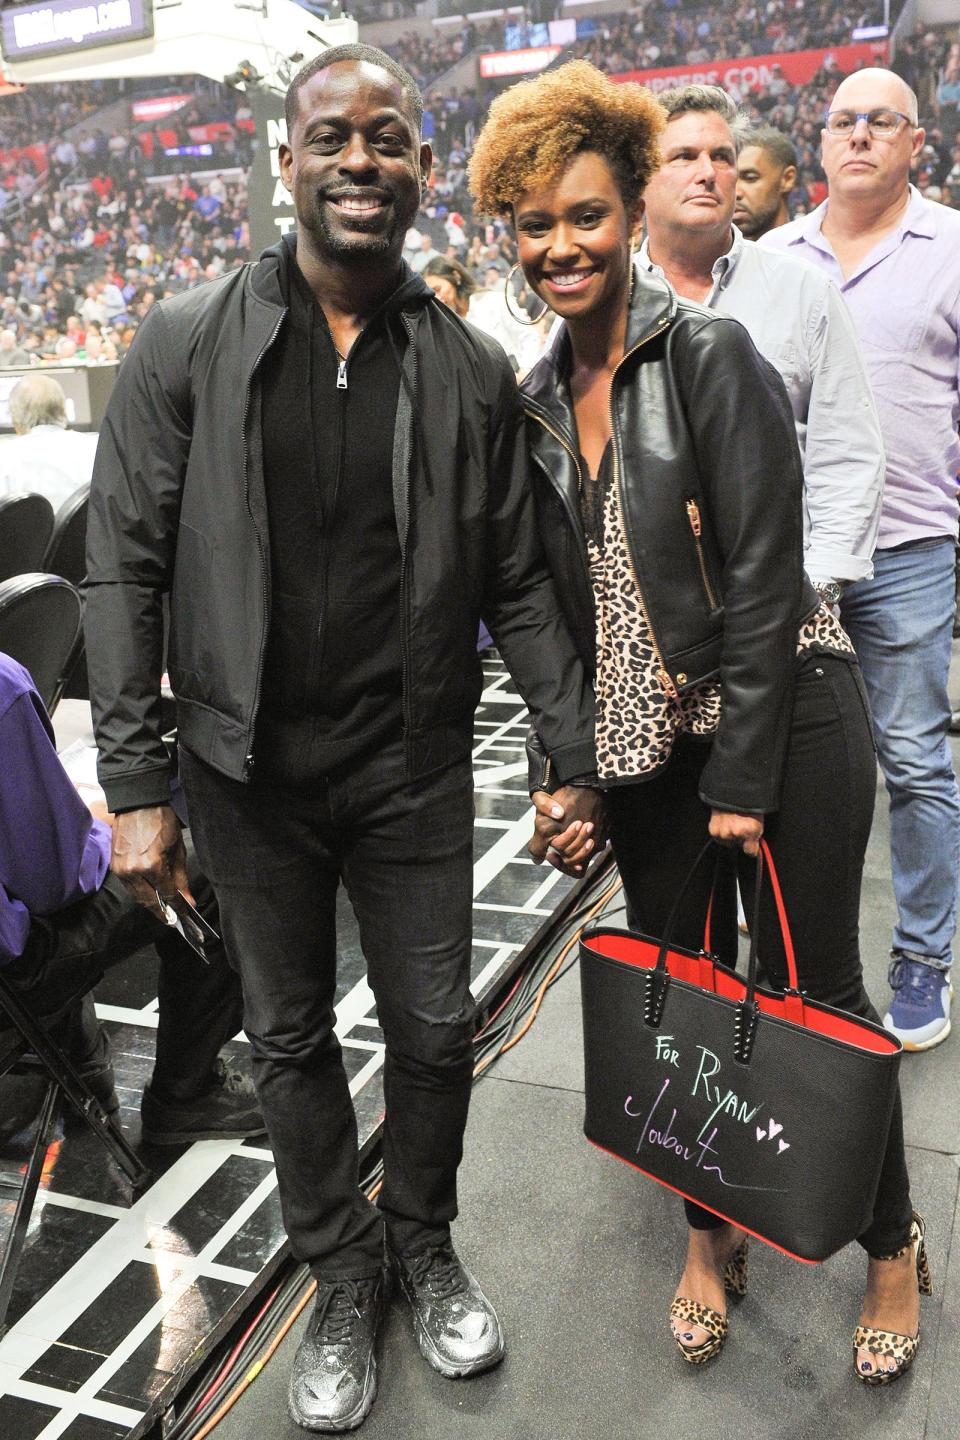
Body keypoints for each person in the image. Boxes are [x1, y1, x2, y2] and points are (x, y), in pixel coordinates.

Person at [84, 44, 601, 1435]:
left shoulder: (469, 371)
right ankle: (337, 1269)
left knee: (436, 1030)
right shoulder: (184, 340)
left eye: (386, 138)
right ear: (288, 161)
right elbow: (121, 572)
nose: (359, 161)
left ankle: (422, 1240)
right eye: (332, 137)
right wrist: (137, 785)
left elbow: (518, 585)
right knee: (288, 1034)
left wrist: (571, 755)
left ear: (425, 171)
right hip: (242, 778)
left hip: (410, 764)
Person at [468, 57, 927, 1388]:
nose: (561, 245)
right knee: (680, 1003)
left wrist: (739, 775)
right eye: (535, 223)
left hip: (787, 725)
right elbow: (545, 611)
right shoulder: (537, 404)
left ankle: (890, 1246)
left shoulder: (710, 350)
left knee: (817, 1003)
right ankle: (709, 1230)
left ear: (630, 219)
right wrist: (568, 770)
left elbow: (772, 580)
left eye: (585, 216)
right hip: (643, 753)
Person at [762, 68, 960, 1051]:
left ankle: (922, 967)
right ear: (823, 136)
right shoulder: (769, 258)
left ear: (915, 141)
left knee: (917, 764)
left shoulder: (954, 248)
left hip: (913, 544)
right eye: (844, 121)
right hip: (793, 556)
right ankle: (807, 972)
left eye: (882, 121)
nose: (861, 137)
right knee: (798, 771)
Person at [0, 651, 262, 1146]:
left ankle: (80, 1061)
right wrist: (93, 824)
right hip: (10, 989)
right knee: (198, 857)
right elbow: (53, 882)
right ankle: (187, 1094)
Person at [639, 85, 884, 609]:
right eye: (683, 156)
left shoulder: (804, 293)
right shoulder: (608, 299)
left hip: (781, 606)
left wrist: (814, 589)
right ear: (640, 178)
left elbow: (847, 455)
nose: (707, 172)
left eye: (722, 157)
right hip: (650, 619)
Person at [0, 373, 99, 512]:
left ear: (15, 415)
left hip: (30, 532)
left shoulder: (6, 456)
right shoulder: (96, 448)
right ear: (63, 409)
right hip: (87, 533)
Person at [734, 124, 798, 239]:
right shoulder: (710, 255)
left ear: (787, 179)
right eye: (731, 181)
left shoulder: (812, 255)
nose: (736, 193)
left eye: (750, 178)